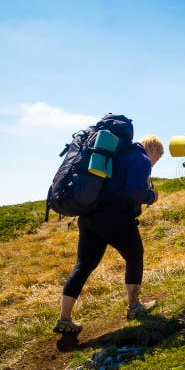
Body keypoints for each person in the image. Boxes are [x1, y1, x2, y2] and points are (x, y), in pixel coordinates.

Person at [53, 135, 164, 334]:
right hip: (115, 216)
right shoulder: (141, 159)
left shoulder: (117, 156)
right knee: (135, 256)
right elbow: (134, 191)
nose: (156, 162)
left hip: (89, 217)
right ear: (153, 149)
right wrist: (151, 197)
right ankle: (134, 306)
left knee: (83, 265)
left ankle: (64, 319)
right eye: (158, 157)